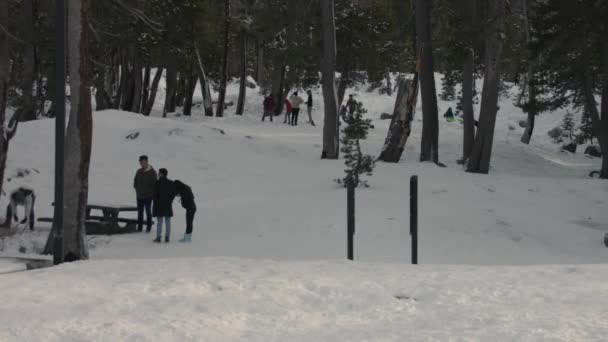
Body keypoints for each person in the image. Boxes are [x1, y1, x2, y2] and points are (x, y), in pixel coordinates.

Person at [134, 155, 157, 232]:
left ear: (146, 161)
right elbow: (135, 182)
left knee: (148, 212)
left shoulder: (152, 172)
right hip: (139, 196)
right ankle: (139, 227)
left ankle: (148, 227)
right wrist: (137, 190)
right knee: (140, 212)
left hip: (148, 197)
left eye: (143, 162)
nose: (141, 163)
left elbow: (154, 185)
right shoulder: (138, 171)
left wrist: (150, 193)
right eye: (140, 162)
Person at [153, 168, 175, 243]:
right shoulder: (171, 183)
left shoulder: (157, 183)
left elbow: (155, 196)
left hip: (159, 205)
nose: (158, 174)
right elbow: (173, 194)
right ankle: (167, 237)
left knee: (159, 222)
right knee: (168, 221)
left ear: (162, 174)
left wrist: (155, 204)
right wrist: (170, 201)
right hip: (168, 205)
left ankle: (158, 237)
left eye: (159, 173)